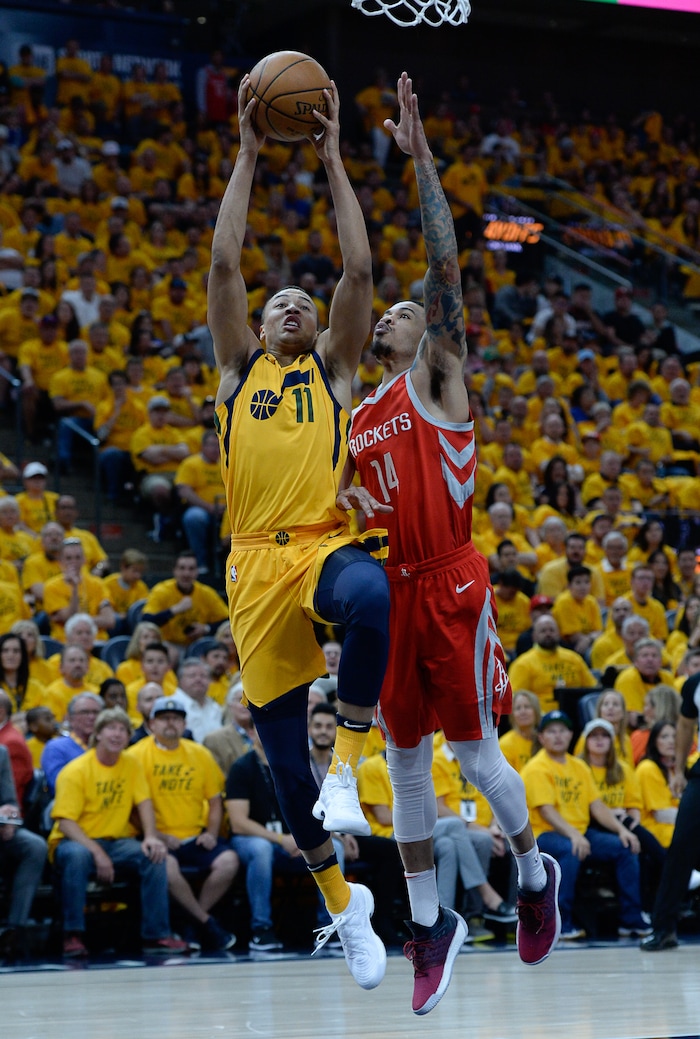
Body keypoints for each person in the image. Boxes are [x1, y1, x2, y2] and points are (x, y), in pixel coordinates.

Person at [344, 74, 560, 1016]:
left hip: (451, 583)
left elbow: (446, 268)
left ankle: (534, 871)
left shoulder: (440, 376)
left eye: (406, 307)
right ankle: (430, 924)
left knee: (474, 760)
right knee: (401, 764)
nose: (395, 311)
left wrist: (421, 158)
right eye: (385, 312)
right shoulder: (355, 414)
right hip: (389, 591)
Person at [209, 72, 391, 990]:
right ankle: (342, 905)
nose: (288, 305)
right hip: (250, 567)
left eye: (301, 302)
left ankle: (352, 761)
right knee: (283, 767)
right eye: (277, 300)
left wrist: (330, 159)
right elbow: (224, 269)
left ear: (321, 327)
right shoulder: (238, 371)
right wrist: (246, 153)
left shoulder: (333, 372)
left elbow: (358, 271)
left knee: (370, 596)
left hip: (320, 542)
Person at [49, 706, 189, 958]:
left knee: (154, 856)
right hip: (76, 840)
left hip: (117, 842)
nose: (117, 734)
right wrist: (97, 852)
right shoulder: (76, 770)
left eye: (123, 730)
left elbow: (144, 802)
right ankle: (72, 934)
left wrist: (150, 837)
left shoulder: (131, 764)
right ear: (98, 734)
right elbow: (65, 822)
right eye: (111, 728)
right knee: (77, 857)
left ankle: (156, 935)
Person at [522, 710, 649, 940]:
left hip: (580, 832)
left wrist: (622, 830)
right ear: (541, 737)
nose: (558, 736)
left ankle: (631, 919)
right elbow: (546, 811)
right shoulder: (536, 767)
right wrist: (574, 835)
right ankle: (562, 922)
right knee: (572, 850)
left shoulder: (579, 766)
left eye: (562, 730)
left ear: (571, 734)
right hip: (544, 834)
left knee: (625, 846)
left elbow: (597, 806)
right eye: (551, 731)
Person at [128, 696, 238, 951]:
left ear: (184, 723)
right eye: (164, 719)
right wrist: (156, 835)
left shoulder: (199, 753)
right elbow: (130, 808)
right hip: (157, 838)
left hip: (194, 837)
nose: (171, 724)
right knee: (165, 865)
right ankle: (206, 923)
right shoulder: (135, 755)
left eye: (176, 719)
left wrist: (211, 832)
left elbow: (214, 801)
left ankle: (194, 919)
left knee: (229, 861)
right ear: (151, 723)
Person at [641, 672, 700, 950]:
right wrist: (678, 769)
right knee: (680, 848)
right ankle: (663, 928)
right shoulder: (694, 684)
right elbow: (686, 725)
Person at [0, 744, 47, 960]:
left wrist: (9, 820)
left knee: (34, 846)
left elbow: (10, 802)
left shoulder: (1, 752)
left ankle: (14, 930)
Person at [508, 614, 598, 715]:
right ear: (534, 636)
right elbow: (515, 699)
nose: (548, 634)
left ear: (559, 633)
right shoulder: (522, 664)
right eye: (543, 631)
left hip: (575, 716)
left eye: (552, 630)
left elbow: (593, 688)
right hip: (540, 718)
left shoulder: (574, 659)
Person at [41, 691, 103, 796]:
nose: (91, 717)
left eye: (96, 712)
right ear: (70, 718)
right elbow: (58, 784)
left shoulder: (109, 746)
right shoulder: (56, 747)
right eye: (84, 712)